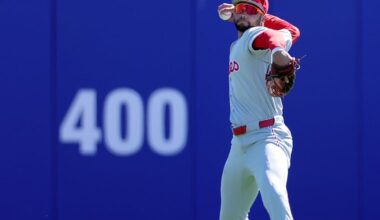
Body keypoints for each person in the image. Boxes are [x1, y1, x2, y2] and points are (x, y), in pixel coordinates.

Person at [217, 0, 301, 219]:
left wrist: (275, 49)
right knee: (230, 215)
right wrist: (250, 12)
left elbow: (271, 37)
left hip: (267, 138)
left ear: (262, 18)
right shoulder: (236, 45)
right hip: (239, 145)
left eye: (251, 10)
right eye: (241, 8)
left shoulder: (254, 36)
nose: (244, 14)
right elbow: (292, 32)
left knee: (273, 190)